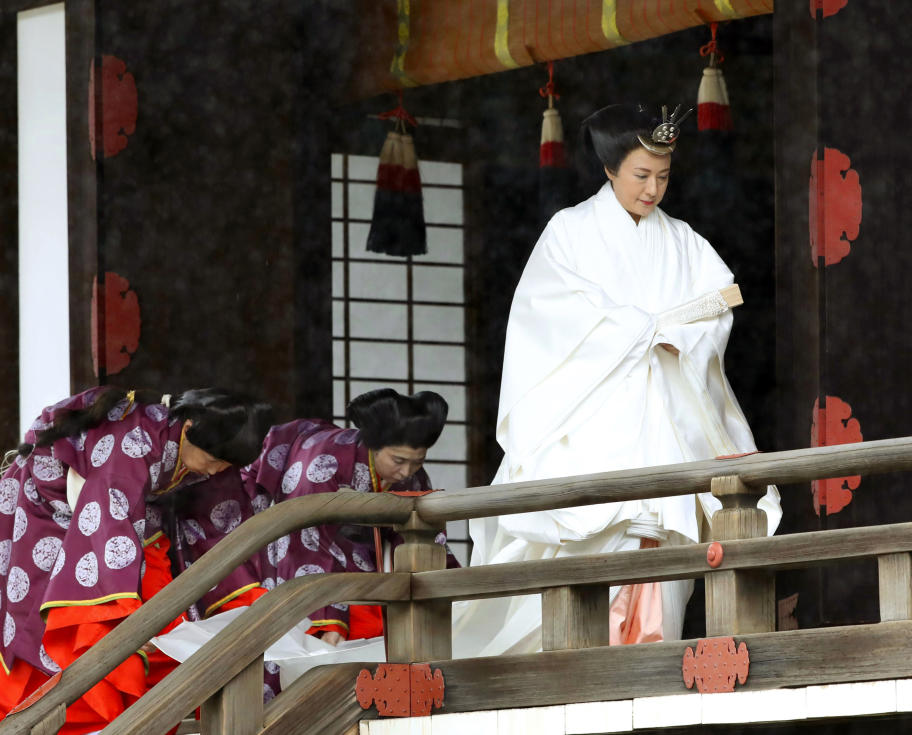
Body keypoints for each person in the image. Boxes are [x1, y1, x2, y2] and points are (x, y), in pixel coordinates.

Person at [452, 104, 782, 656]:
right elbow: (553, 316)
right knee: (590, 550)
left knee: (664, 542)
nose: (653, 189)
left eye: (663, 176)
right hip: (593, 421)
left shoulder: (684, 241)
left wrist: (684, 338)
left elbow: (719, 304)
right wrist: (640, 331)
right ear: (609, 170)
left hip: (667, 421)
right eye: (640, 175)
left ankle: (651, 666)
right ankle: (567, 668)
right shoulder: (570, 232)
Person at [0, 386, 275, 733]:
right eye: (214, 460)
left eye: (227, 464)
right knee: (56, 619)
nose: (217, 470)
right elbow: (106, 527)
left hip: (123, 521)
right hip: (54, 511)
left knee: (164, 607)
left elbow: (220, 527)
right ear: (188, 428)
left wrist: (247, 605)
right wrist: (128, 621)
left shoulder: (208, 455)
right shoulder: (130, 445)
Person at [233, 388, 459, 695]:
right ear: (373, 445)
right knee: (293, 632)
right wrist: (328, 618)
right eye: (398, 460)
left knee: (379, 604)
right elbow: (305, 536)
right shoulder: (323, 463)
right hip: (279, 526)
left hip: (349, 545)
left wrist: (451, 588)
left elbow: (424, 533)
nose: (406, 471)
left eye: (417, 462)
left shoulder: (408, 474)